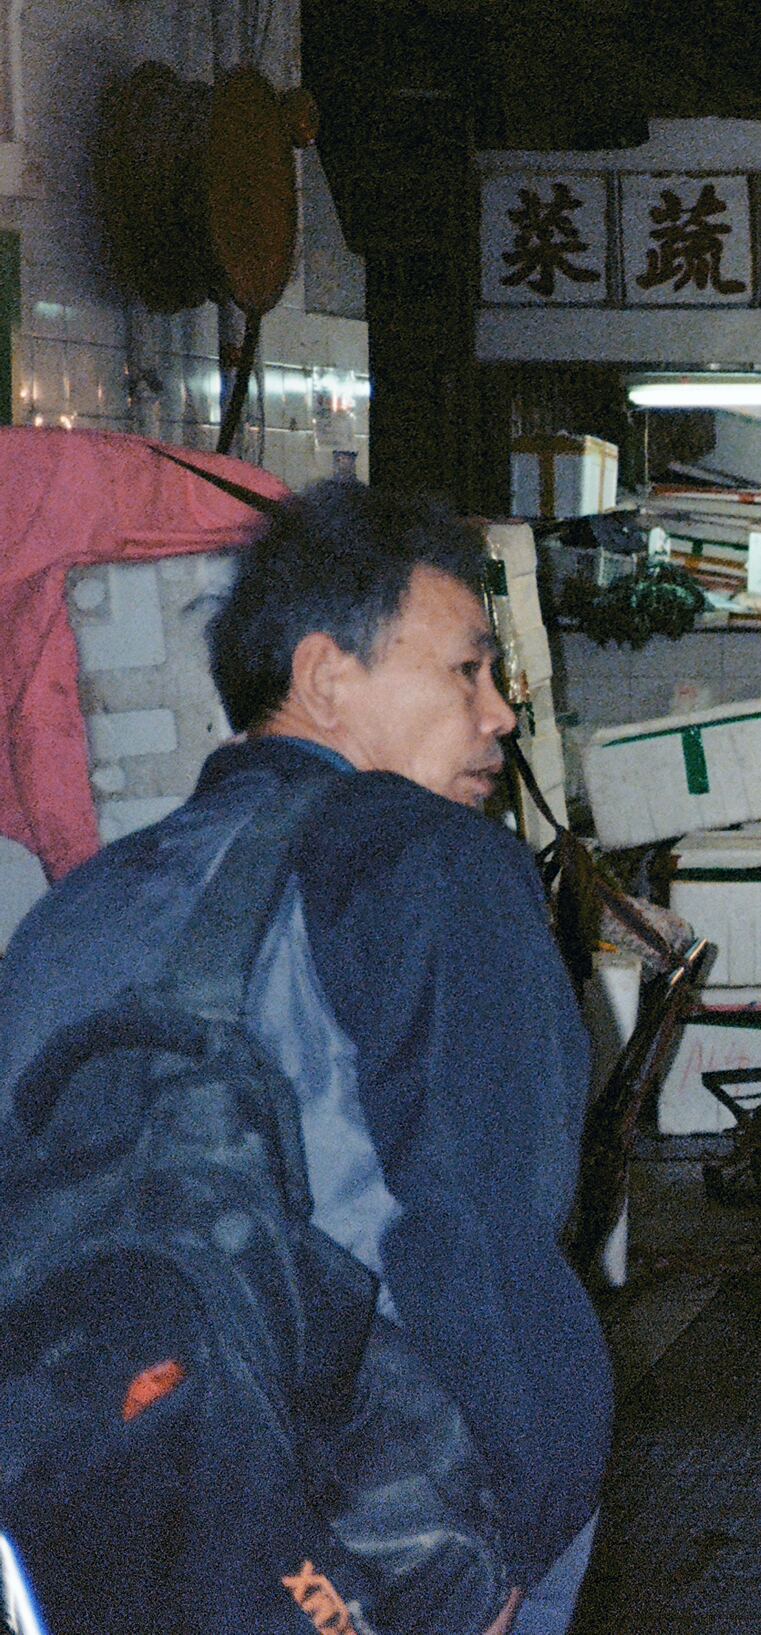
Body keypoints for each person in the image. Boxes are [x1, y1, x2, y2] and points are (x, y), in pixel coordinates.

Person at [0, 482, 610, 1633]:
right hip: (382, 1536)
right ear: (326, 675)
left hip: (105, 1517)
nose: (498, 714)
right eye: (466, 670)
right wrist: (513, 1546)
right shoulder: (434, 862)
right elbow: (487, 1230)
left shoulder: (66, 913)